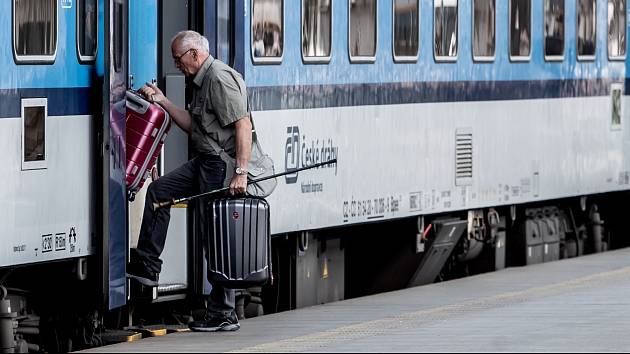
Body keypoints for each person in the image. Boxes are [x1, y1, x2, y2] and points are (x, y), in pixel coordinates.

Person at [126, 30, 252, 332]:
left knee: (215, 235)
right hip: (204, 162)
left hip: (219, 167)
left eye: (178, 59)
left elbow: (243, 125)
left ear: (194, 54)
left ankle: (223, 312)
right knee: (159, 192)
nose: (176, 65)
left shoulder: (219, 79)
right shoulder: (201, 81)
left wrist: (241, 171)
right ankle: (146, 268)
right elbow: (195, 127)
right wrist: (163, 102)